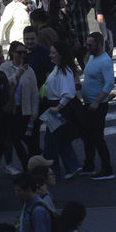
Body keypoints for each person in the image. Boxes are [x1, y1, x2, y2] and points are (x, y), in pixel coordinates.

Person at [43, 41, 82, 179]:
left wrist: (57, 107)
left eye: (53, 53)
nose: (51, 55)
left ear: (61, 54)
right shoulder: (60, 68)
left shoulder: (64, 71)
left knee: (51, 141)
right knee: (61, 140)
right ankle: (73, 166)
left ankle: (53, 172)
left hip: (59, 108)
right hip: (57, 107)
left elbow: (67, 93)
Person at [0, 41, 38, 172]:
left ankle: (31, 163)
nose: (22, 55)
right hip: (9, 108)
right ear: (11, 53)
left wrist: (34, 112)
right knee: (13, 138)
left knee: (23, 137)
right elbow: (4, 85)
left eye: (24, 52)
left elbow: (34, 92)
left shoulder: (29, 70)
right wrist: (17, 75)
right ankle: (26, 165)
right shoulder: (4, 67)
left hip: (23, 108)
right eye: (19, 52)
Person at [80, 32, 114, 180]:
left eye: (90, 45)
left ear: (99, 44)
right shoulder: (92, 56)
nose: (87, 47)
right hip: (88, 103)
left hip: (98, 106)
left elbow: (109, 84)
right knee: (88, 136)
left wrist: (97, 101)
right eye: (87, 44)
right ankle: (89, 165)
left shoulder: (105, 61)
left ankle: (107, 169)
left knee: (97, 137)